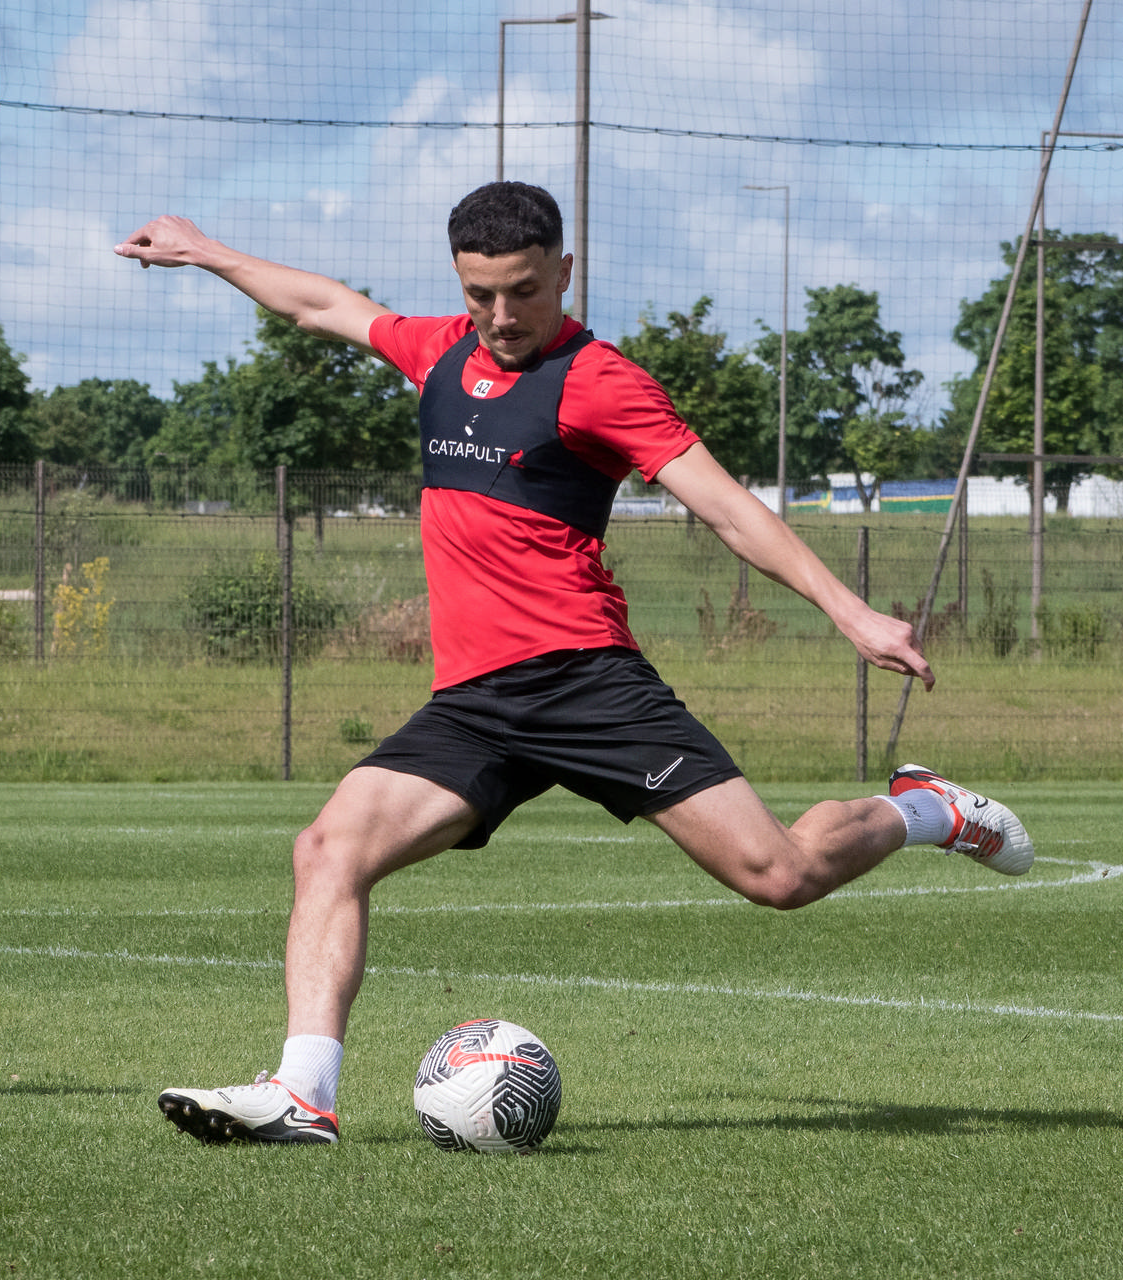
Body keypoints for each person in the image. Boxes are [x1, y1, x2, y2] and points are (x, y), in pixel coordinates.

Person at [115, 182, 1033, 1146]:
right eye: (480, 294)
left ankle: (924, 809)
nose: (501, 315)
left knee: (781, 875)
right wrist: (206, 250)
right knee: (328, 849)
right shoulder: (438, 353)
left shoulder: (602, 382)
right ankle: (305, 1094)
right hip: (474, 704)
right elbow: (322, 305)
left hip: (587, 682)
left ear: (563, 271)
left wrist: (851, 613)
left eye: (522, 291)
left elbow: (728, 509)